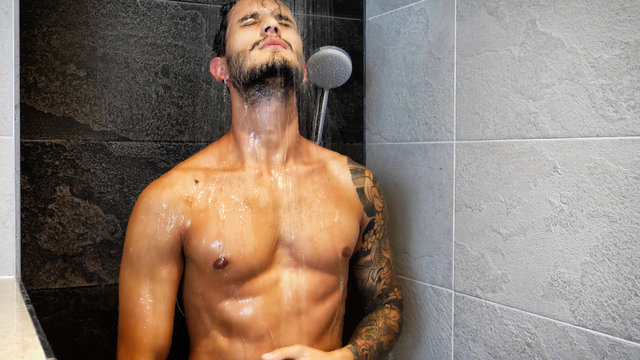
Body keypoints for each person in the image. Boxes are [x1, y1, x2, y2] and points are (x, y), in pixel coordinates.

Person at [117, 0, 402, 359]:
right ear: (220, 69)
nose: (271, 26)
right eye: (251, 21)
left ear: (303, 72)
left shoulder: (355, 185)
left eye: (284, 21)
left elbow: (387, 305)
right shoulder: (170, 200)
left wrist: (343, 358)